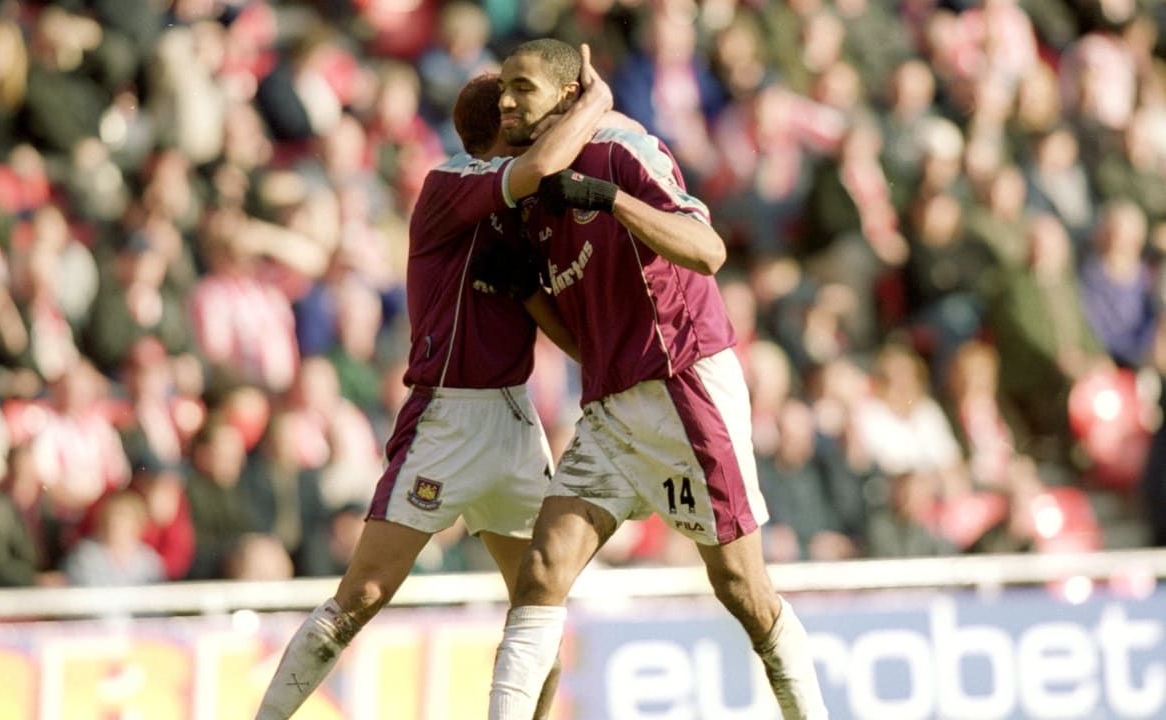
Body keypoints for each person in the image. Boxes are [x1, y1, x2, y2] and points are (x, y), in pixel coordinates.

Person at [253, 46, 614, 720]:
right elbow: (539, 163)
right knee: (359, 597)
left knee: (539, 617)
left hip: (513, 424)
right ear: (503, 129)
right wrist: (593, 102)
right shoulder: (452, 182)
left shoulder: (525, 208)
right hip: (444, 420)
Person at [488, 39, 828, 719]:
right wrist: (527, 295)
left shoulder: (620, 150)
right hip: (611, 408)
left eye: (520, 87)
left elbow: (709, 250)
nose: (504, 101)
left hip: (683, 388)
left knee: (742, 590)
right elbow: (584, 343)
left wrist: (610, 200)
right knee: (543, 570)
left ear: (564, 95)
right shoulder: (530, 203)